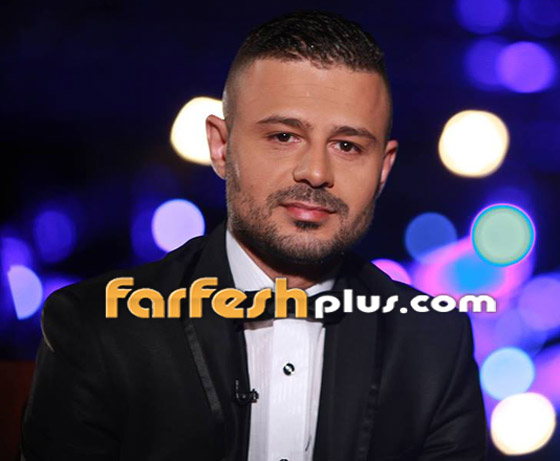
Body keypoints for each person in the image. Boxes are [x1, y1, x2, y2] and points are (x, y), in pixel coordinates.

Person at [21, 10, 487, 461]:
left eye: (347, 146)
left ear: (383, 168)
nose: (316, 172)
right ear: (221, 146)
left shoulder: (434, 343)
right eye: (284, 136)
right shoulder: (99, 327)